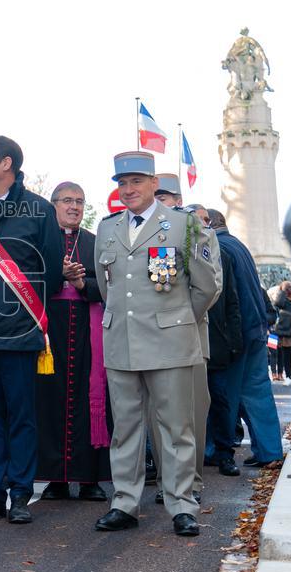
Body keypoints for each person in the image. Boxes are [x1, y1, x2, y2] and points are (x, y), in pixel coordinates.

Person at [93, 152, 218, 537]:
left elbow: (207, 285)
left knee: (176, 426)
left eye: (136, 182)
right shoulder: (107, 228)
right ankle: (125, 502)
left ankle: (181, 504)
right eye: (122, 183)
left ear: (153, 185)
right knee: (126, 427)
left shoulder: (184, 226)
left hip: (170, 342)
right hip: (122, 343)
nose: (128, 190)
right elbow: (105, 284)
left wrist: (178, 318)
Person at [0, 136, 63, 525]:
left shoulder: (38, 209)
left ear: (6, 163)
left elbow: (51, 274)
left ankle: (20, 493)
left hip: (20, 332)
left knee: (21, 415)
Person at [36, 182, 111, 501]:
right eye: (67, 200)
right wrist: (58, 275)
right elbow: (30, 283)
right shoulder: (40, 242)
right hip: (51, 333)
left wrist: (82, 282)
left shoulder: (96, 242)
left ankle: (90, 479)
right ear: (54, 205)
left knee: (88, 399)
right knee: (51, 402)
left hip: (87, 334)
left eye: (80, 201)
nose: (74, 207)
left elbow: (110, 285)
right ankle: (57, 480)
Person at [150, 175, 222, 505]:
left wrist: (179, 322)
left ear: (177, 199)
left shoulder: (193, 229)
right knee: (158, 418)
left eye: (163, 197)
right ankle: (168, 482)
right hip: (150, 342)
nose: (158, 202)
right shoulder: (139, 231)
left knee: (189, 415)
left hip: (189, 336)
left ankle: (189, 482)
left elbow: (208, 287)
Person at [206, 209, 284, 467]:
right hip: (256, 330)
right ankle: (269, 452)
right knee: (257, 392)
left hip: (236, 335)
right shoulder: (239, 245)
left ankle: (219, 452)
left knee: (226, 395)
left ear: (209, 224)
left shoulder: (218, 247)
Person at [195, 207, 243, 478]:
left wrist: (234, 341)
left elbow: (232, 301)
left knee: (220, 400)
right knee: (190, 406)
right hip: (187, 340)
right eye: (198, 220)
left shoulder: (221, 255)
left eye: (205, 220)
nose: (203, 225)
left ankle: (225, 454)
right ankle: (196, 458)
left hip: (217, 343)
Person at [272, 281, 291, 382]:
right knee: (274, 353)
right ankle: (274, 374)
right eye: (288, 287)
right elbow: (278, 303)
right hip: (274, 331)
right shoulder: (281, 299)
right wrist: (283, 290)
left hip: (287, 331)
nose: (290, 288)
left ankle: (283, 375)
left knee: (285, 354)